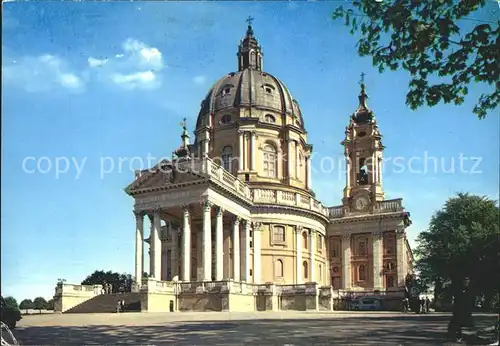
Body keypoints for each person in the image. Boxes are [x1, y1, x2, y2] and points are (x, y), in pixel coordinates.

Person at [448, 277, 474, 343]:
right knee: (457, 323)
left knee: (465, 324)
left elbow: (471, 300)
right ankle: (458, 336)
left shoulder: (470, 289)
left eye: (467, 281)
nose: (466, 282)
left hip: (466, 309)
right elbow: (456, 299)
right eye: (465, 281)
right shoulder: (459, 289)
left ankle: (464, 336)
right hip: (459, 309)